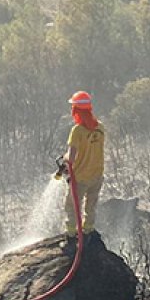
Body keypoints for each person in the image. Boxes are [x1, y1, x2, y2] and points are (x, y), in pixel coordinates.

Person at [61, 91, 105, 243]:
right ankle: (88, 230)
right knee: (91, 205)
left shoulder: (77, 130)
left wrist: (64, 158)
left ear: (76, 110)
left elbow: (71, 157)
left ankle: (72, 235)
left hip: (80, 178)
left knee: (72, 206)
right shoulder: (100, 127)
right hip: (97, 176)